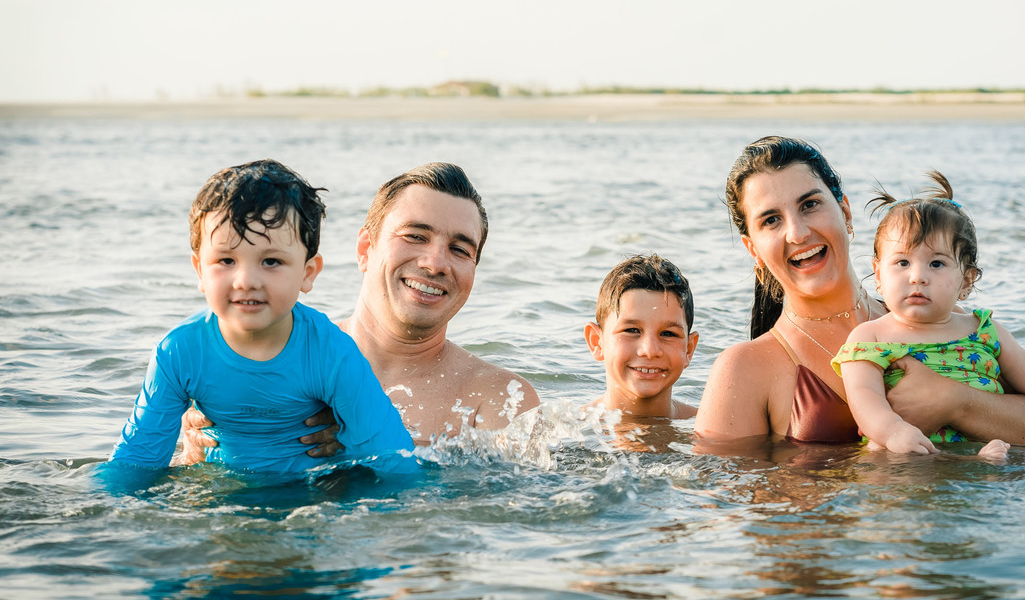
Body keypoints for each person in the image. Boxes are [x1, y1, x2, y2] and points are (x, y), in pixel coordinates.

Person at [694, 136, 1025, 453]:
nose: (798, 232)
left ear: (845, 212)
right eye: (771, 220)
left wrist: (955, 402)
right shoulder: (743, 368)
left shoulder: (937, 319)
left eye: (810, 205)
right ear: (753, 249)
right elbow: (726, 503)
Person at [177, 162, 539, 460]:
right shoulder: (259, 359)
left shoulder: (499, 400)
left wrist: (361, 449)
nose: (435, 264)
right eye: (415, 236)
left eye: (460, 249)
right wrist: (197, 454)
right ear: (365, 248)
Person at [108, 160, 415, 475]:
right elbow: (135, 464)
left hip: (311, 497)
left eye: (270, 261)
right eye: (226, 260)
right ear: (199, 270)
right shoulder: (179, 353)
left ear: (307, 273)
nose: (246, 280)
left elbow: (394, 460)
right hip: (219, 499)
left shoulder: (330, 353)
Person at [831, 171, 1025, 455]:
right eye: (902, 262)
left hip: (985, 447)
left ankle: (979, 464)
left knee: (997, 458)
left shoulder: (983, 331)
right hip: (908, 452)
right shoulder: (870, 336)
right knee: (880, 453)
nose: (917, 277)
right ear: (878, 274)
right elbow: (864, 396)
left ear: (967, 281)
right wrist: (892, 431)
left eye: (936, 264)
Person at [584, 254, 699, 419]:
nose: (650, 351)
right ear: (596, 342)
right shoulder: (567, 431)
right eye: (632, 330)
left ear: (689, 349)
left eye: (668, 334)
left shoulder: (707, 428)